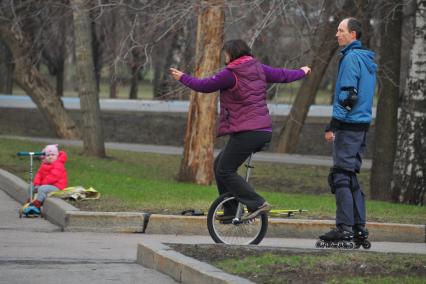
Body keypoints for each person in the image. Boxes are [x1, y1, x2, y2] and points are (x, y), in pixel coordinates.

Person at [170, 39, 310, 220]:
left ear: (232, 54)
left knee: (225, 170)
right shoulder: (259, 68)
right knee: (218, 165)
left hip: (248, 132)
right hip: (262, 131)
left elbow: (203, 86)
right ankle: (230, 210)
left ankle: (257, 202)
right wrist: (302, 72)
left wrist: (182, 77)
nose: (224, 57)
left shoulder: (231, 73)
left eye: (225, 54)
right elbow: (282, 75)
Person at [320, 18, 377, 243]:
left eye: (341, 30)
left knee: (340, 176)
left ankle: (344, 228)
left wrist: (334, 124)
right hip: (361, 125)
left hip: (349, 125)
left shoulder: (351, 58)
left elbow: (349, 96)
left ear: (353, 34)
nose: (337, 34)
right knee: (349, 175)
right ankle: (358, 227)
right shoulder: (365, 59)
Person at [23, 144, 68, 215]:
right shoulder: (44, 164)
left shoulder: (59, 164)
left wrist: (41, 185)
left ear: (57, 155)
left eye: (53, 155)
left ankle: (37, 204)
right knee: (31, 185)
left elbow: (53, 177)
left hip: (57, 186)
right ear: (45, 157)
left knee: (42, 189)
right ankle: (30, 200)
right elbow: (39, 175)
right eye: (48, 155)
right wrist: (37, 184)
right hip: (45, 185)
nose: (50, 157)